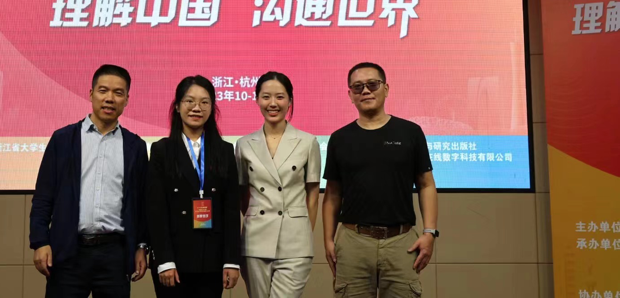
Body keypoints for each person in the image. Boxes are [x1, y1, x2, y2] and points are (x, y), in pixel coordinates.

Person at [29, 64, 149, 298]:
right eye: (103, 91)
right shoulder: (63, 139)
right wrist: (40, 241)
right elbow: (43, 197)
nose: (109, 98)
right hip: (68, 251)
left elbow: (141, 203)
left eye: (118, 93)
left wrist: (141, 245)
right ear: (91, 94)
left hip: (114, 254)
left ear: (127, 99)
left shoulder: (135, 146)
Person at [323, 62, 438, 298]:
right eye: (358, 87)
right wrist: (328, 240)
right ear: (350, 95)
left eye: (372, 84)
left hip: (401, 242)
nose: (365, 91)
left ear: (386, 89)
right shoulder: (339, 138)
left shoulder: (410, 132)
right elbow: (332, 194)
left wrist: (429, 232)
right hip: (353, 242)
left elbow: (426, 184)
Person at [147, 75, 241, 297]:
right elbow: (155, 210)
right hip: (174, 261)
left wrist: (231, 260)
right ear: (177, 106)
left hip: (213, 260)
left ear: (212, 108)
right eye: (189, 101)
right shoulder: (162, 151)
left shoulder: (225, 151)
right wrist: (164, 260)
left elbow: (231, 210)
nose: (196, 108)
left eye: (204, 102)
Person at [236, 71, 321, 298]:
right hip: (255, 238)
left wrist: (303, 229)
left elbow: (313, 193)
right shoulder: (244, 144)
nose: (273, 103)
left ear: (290, 100)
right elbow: (243, 193)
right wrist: (257, 217)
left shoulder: (308, 142)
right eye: (266, 97)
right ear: (257, 100)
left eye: (280, 97)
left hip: (295, 240)